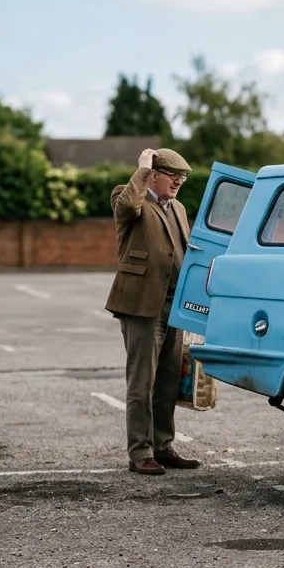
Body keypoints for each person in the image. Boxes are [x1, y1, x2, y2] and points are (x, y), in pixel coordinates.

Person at [105, 148, 202, 475]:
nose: (179, 181)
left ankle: (162, 446)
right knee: (142, 383)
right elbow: (128, 206)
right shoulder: (127, 197)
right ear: (153, 174)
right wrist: (142, 168)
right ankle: (140, 453)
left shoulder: (178, 208)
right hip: (142, 306)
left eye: (183, 177)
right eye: (172, 174)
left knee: (168, 382)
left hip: (174, 306)